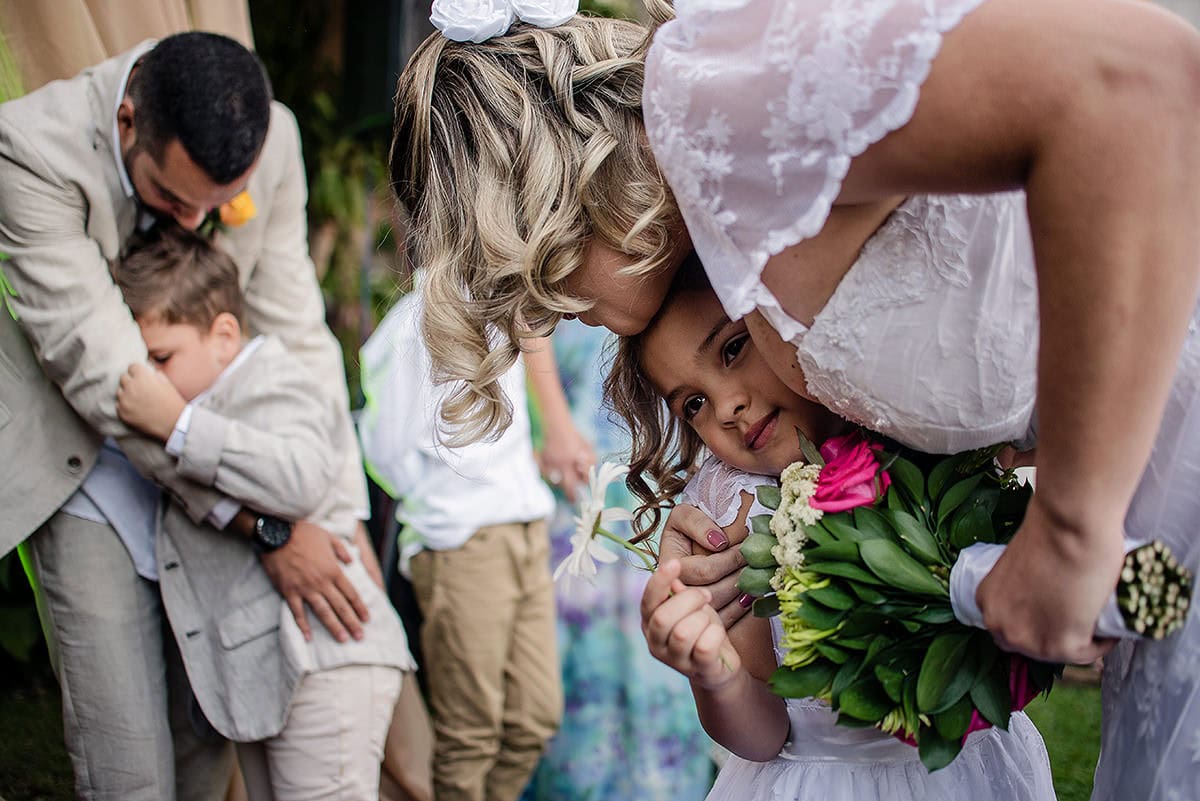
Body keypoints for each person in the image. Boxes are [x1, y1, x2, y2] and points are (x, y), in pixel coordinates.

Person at [389, 3, 1200, 798]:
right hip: (1144, 491)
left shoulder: (711, 102)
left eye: (540, 271)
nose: (551, 312)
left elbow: (1141, 82)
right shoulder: (724, 252)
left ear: (564, 189)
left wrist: (1067, 525)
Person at [0, 32, 371, 800]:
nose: (198, 224)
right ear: (128, 122)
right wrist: (266, 524)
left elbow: (297, 333)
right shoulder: (27, 152)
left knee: (205, 742)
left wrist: (337, 509)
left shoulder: (276, 140)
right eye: (174, 201)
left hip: (221, 454)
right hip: (88, 468)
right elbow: (114, 387)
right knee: (128, 763)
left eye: (216, 206)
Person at [606, 257, 1056, 800]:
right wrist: (714, 674)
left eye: (733, 348)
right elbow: (763, 734)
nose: (727, 407)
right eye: (694, 404)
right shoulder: (733, 512)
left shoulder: (922, 426)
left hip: (969, 768)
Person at [112, 225, 414, 800]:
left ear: (224, 335)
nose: (150, 379)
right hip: (272, 672)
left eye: (162, 357)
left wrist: (177, 424)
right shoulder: (213, 389)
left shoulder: (270, 377)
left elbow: (299, 480)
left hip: (327, 657)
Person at [357, 277, 563, 801]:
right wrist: (439, 502)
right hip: (462, 541)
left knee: (534, 717)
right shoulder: (413, 322)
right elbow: (383, 449)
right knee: (469, 736)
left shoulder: (505, 306)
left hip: (524, 523)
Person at [520, 316, 715, 801]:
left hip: (655, 406)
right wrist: (556, 424)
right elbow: (525, 306)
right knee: (587, 640)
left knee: (665, 606)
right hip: (586, 411)